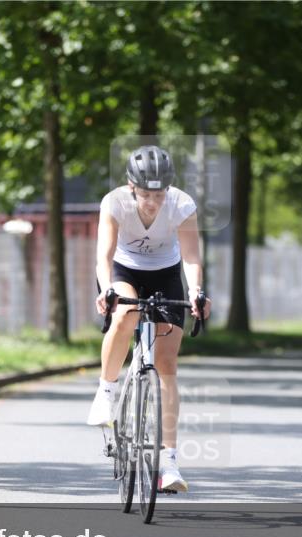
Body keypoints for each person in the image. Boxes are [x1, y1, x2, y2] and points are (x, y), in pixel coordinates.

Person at [86, 145, 211, 493]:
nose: (152, 201)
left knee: (167, 364)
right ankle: (106, 391)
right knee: (126, 314)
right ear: (131, 186)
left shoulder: (182, 205)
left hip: (165, 272)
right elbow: (104, 255)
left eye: (159, 193)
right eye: (145, 194)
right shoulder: (114, 203)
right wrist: (107, 288)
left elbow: (190, 257)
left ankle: (168, 462)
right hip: (123, 269)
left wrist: (196, 291)